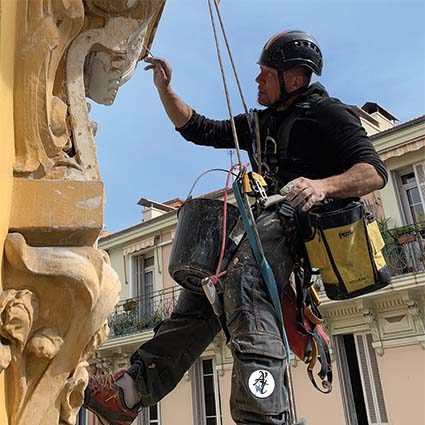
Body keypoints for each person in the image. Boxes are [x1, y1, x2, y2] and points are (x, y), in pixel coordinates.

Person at [84, 30, 388, 425]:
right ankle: (128, 392)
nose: (257, 80)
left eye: (266, 74)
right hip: (259, 224)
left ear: (294, 79)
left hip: (297, 227)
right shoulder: (262, 122)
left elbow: (373, 171)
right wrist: (165, 89)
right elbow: (200, 129)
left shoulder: (330, 114)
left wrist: (320, 185)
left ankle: (261, 416)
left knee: (243, 281)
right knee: (203, 287)